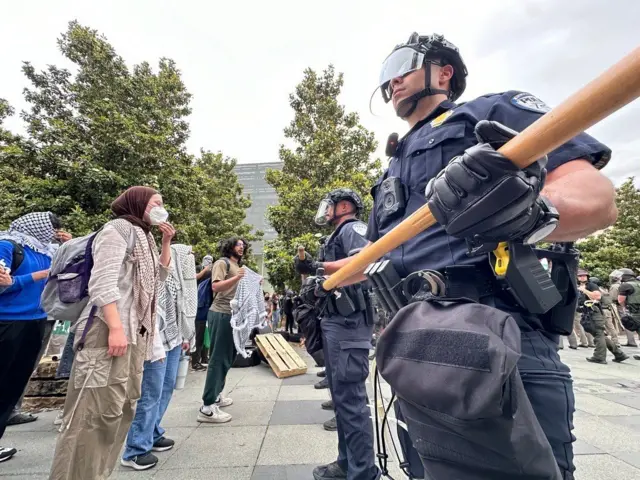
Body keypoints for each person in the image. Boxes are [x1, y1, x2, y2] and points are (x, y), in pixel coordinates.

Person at [308, 33, 619, 479]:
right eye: (384, 76)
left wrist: (529, 212)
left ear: (444, 70)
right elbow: (379, 255)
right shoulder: (391, 168)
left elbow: (595, 196)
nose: (390, 82)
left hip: (492, 326)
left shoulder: (489, 113)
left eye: (402, 66)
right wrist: (326, 278)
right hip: (413, 339)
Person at [49, 186, 175, 480]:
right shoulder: (116, 229)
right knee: (90, 417)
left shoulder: (144, 235)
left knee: (118, 412)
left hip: (134, 336)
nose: (161, 207)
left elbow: (157, 281)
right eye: (156, 202)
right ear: (138, 203)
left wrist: (166, 241)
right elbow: (102, 283)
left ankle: (97, 474)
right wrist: (116, 328)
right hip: (106, 333)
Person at [295, 188, 380, 480]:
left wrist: (319, 266)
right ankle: (347, 464)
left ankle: (363, 472)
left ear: (344, 206)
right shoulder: (337, 235)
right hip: (336, 321)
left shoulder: (353, 228)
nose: (326, 210)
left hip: (349, 323)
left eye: (330, 205)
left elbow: (367, 261)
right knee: (343, 400)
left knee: (352, 402)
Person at [121, 243, 197, 470]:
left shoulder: (177, 280)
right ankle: (135, 449)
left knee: (166, 388)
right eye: (187, 258)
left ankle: (152, 433)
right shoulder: (155, 272)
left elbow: (180, 307)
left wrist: (184, 335)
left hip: (172, 339)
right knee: (150, 393)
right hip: (153, 341)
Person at [0, 212, 67, 462]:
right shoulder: (8, 246)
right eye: (51, 228)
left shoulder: (46, 251)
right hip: (7, 321)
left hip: (36, 321)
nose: (52, 234)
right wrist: (37, 276)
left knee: (13, 385)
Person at [197, 237, 246, 424]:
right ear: (229, 246)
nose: (241, 247)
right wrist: (237, 277)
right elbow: (216, 286)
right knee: (218, 358)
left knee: (227, 357)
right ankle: (207, 407)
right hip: (221, 313)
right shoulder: (222, 263)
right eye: (237, 244)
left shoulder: (237, 266)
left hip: (233, 316)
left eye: (243, 245)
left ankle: (216, 395)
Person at [576, 269, 628, 364]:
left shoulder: (591, 285)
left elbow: (597, 297)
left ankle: (599, 356)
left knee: (598, 334)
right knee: (600, 334)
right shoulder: (581, 286)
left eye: (584, 276)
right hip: (588, 313)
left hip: (594, 313)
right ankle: (619, 354)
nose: (582, 277)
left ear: (587, 276)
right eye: (580, 276)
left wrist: (584, 290)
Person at [610, 268, 639, 346]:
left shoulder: (625, 285)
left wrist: (624, 307)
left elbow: (621, 300)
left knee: (632, 326)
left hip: (634, 310)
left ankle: (632, 342)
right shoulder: (638, 283)